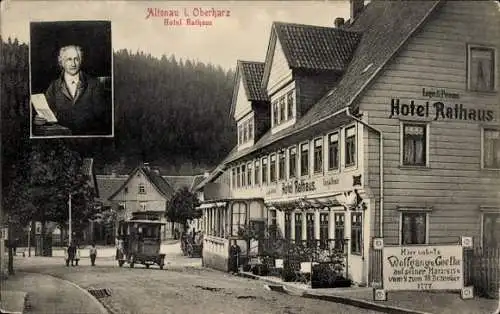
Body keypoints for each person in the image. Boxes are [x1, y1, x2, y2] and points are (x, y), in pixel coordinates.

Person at [35, 45, 111, 136]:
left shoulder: (94, 84)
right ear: (61, 62)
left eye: (76, 59)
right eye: (69, 59)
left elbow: (102, 118)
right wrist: (40, 119)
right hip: (62, 138)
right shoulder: (53, 86)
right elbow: (48, 115)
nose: (73, 64)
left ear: (81, 61)